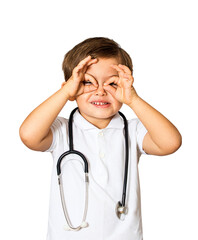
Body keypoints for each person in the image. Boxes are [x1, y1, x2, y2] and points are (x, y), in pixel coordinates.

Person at [19, 37, 182, 240]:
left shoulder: (132, 131)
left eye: (112, 83)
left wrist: (134, 100)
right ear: (71, 87)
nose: (101, 91)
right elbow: (28, 135)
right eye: (87, 82)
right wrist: (64, 93)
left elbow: (171, 142)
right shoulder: (61, 130)